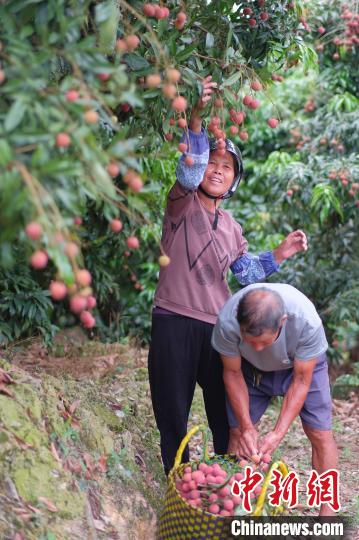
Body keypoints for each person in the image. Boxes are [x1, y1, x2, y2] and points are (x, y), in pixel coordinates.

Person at [148, 76, 308, 475]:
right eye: (213, 164)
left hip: (218, 331)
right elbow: (190, 169)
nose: (217, 171)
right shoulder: (181, 202)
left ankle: (221, 484)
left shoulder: (233, 226)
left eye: (226, 167)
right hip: (173, 321)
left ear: (233, 180)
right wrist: (198, 118)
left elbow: (245, 274)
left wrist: (280, 253)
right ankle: (178, 486)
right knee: (173, 414)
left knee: (226, 417)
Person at [211, 283, 339, 516]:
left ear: (283, 321)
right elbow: (232, 372)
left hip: (301, 366)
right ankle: (231, 509)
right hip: (248, 370)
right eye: (251, 341)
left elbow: (301, 380)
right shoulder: (227, 322)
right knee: (238, 433)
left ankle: (327, 515)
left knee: (320, 434)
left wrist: (278, 433)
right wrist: (247, 426)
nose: (259, 348)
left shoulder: (306, 321)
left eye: (264, 342)